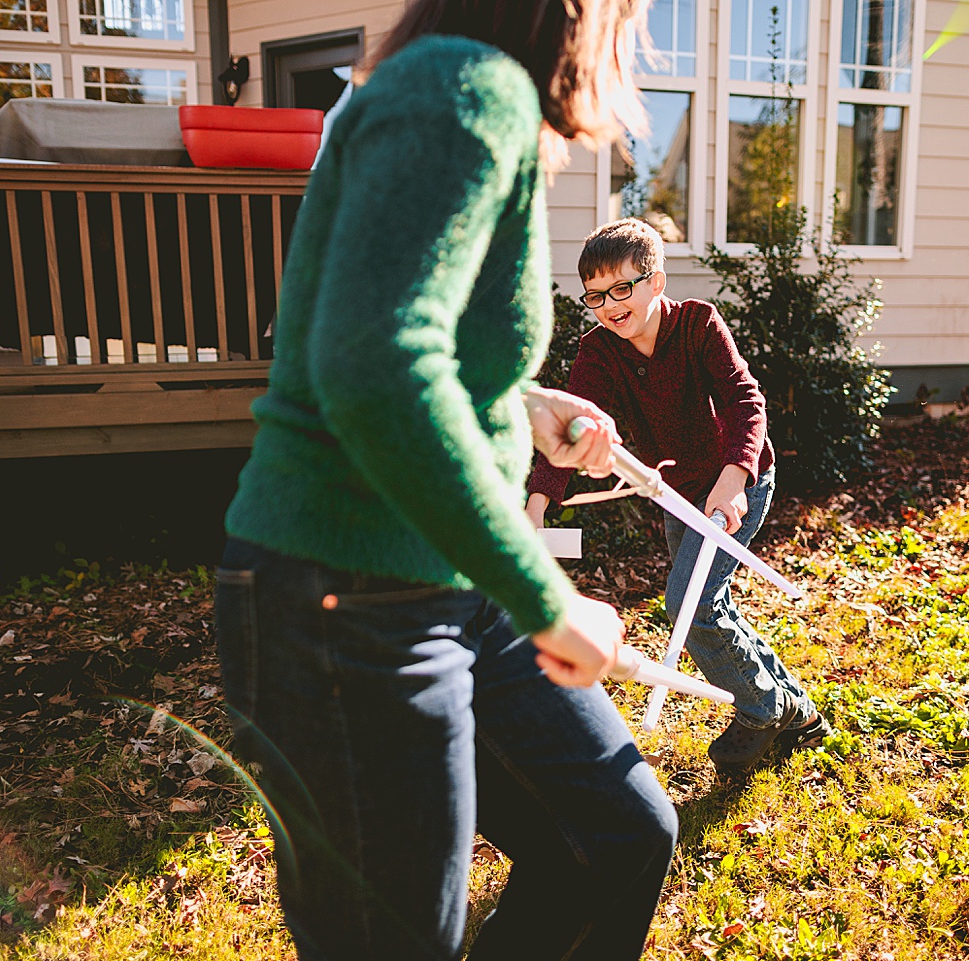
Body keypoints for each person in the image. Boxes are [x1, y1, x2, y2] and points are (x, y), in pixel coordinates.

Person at [214, 2, 678, 959]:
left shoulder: (447, 89)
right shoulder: (464, 87)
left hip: (447, 582)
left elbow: (405, 349)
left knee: (620, 837)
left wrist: (520, 403)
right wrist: (546, 600)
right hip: (343, 599)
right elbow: (368, 364)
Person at [525, 218, 832, 776]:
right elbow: (572, 430)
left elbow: (745, 398)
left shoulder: (697, 324)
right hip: (675, 492)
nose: (610, 305)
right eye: (596, 295)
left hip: (737, 482)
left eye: (623, 288)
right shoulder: (598, 352)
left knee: (690, 608)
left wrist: (735, 478)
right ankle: (801, 714)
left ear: (656, 281)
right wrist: (540, 504)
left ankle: (764, 708)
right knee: (708, 605)